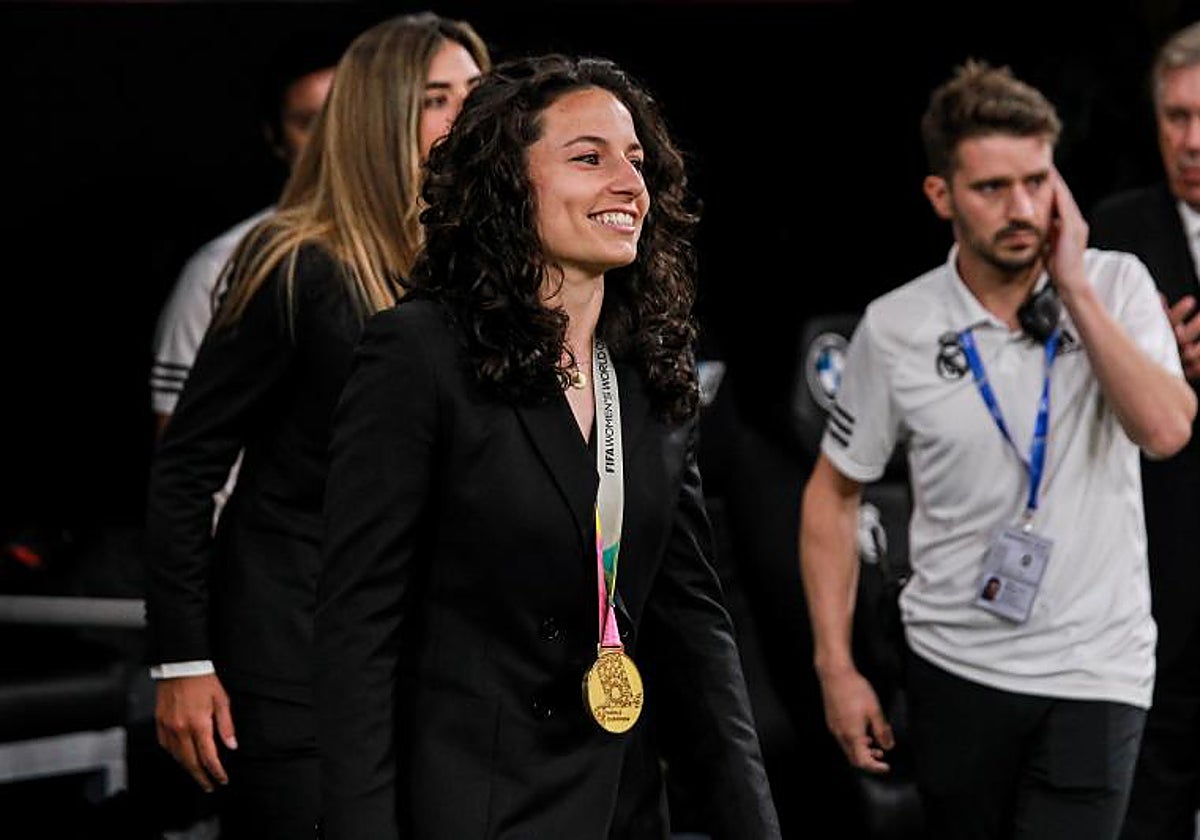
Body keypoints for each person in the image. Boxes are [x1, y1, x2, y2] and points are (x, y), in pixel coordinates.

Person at [314, 54, 781, 840]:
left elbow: (695, 624)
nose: (628, 183)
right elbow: (359, 628)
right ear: (506, 183)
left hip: (618, 805)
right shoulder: (418, 353)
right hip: (468, 804)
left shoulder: (649, 368)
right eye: (588, 157)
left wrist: (752, 824)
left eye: (636, 161)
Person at [799, 59, 1196, 840]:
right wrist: (834, 666)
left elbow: (1166, 430)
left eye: (1038, 180)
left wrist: (1075, 288)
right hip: (955, 665)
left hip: (1097, 667)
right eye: (991, 188)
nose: (1023, 208)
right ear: (941, 196)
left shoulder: (1114, 287)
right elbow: (831, 494)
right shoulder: (897, 326)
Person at [144, 13, 490, 839]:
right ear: (380, 115)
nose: (466, 117)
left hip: (425, 653)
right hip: (293, 652)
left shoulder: (479, 267)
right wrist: (183, 661)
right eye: (437, 98)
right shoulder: (298, 261)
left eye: (476, 94)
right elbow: (187, 466)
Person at [1089, 21, 1200, 839]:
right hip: (1156, 565)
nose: (1190, 140)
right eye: (1174, 117)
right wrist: (1145, 353)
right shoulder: (1116, 232)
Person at [150, 34, 340, 437]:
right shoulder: (221, 268)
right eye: (308, 122)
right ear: (275, 137)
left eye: (344, 115)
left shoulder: (420, 245)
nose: (329, 138)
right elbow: (183, 448)